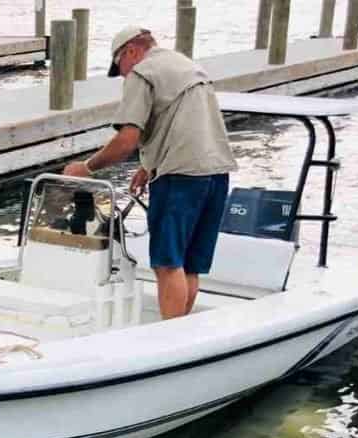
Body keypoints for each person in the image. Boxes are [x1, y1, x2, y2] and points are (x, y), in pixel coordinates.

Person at [63, 26, 237, 319]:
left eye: (119, 66)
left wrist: (86, 168)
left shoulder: (142, 73)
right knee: (188, 264)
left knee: (167, 263)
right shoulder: (187, 66)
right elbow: (183, 121)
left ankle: (170, 341)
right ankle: (180, 335)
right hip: (217, 173)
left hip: (180, 176)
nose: (121, 74)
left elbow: (126, 141)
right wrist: (148, 165)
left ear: (130, 51)